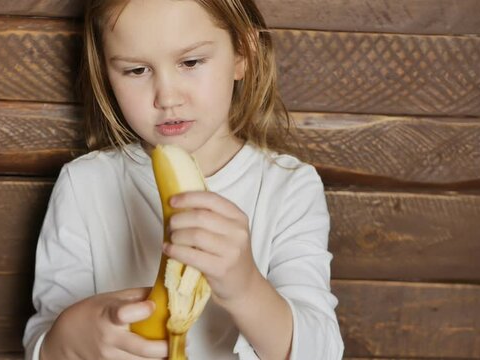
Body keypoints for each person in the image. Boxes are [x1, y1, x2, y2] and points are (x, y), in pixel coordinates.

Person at [23, 0, 344, 358]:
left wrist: (246, 288)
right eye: (136, 70)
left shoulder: (289, 189)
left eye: (190, 62)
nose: (168, 97)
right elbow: (42, 338)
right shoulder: (84, 185)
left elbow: (322, 351)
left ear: (243, 53)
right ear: (105, 72)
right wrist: (66, 337)